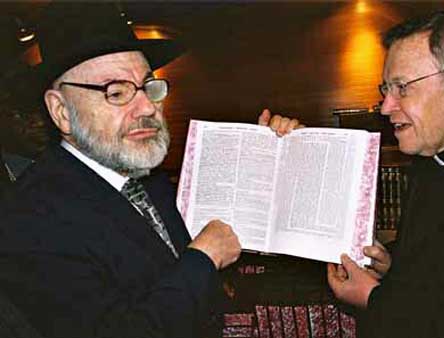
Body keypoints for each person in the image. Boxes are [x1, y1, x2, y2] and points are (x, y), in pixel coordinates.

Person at [0, 3, 299, 338]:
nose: (147, 107)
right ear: (61, 111)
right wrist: (203, 259)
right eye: (115, 92)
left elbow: (219, 244)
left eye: (148, 87)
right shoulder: (28, 218)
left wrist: (267, 157)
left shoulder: (149, 181)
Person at [327, 9, 444, 338]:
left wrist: (374, 298)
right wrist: (393, 268)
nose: (386, 106)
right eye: (385, 89)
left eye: (402, 88)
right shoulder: (429, 160)